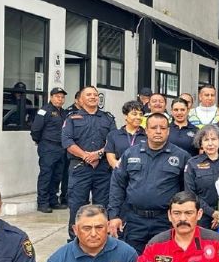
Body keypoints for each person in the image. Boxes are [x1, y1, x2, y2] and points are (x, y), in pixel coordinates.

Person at [107, 113, 189, 253]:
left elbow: (186, 192)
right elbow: (118, 185)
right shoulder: (130, 154)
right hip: (134, 221)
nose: (158, 131)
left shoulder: (181, 156)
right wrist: (114, 216)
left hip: (165, 221)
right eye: (154, 127)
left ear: (168, 131)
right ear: (146, 130)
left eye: (162, 128)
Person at [62, 86, 117, 239]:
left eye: (95, 94)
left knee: (103, 206)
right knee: (77, 206)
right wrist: (85, 156)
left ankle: (102, 238)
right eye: (89, 95)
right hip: (80, 168)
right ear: (80, 99)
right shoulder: (72, 118)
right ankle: (75, 240)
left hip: (103, 169)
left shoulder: (108, 118)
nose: (93, 97)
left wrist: (99, 154)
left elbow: (113, 140)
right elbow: (66, 140)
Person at [185, 125, 219, 230]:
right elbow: (191, 194)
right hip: (202, 217)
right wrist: (212, 213)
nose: (210, 143)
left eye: (214, 139)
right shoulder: (192, 163)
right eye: (206, 140)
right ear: (201, 143)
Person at [31, 86, 69, 213]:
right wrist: (39, 141)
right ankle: (42, 203)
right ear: (51, 97)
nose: (60, 99)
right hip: (48, 147)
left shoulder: (63, 112)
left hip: (61, 147)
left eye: (62, 97)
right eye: (57, 96)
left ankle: (53, 201)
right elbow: (35, 130)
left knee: (57, 175)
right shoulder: (44, 111)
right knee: (46, 175)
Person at [105, 101, 146, 169]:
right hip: (119, 174)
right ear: (125, 115)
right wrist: (122, 171)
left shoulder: (147, 135)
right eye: (134, 114)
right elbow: (111, 159)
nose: (138, 117)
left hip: (141, 175)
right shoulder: (113, 135)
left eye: (141, 114)